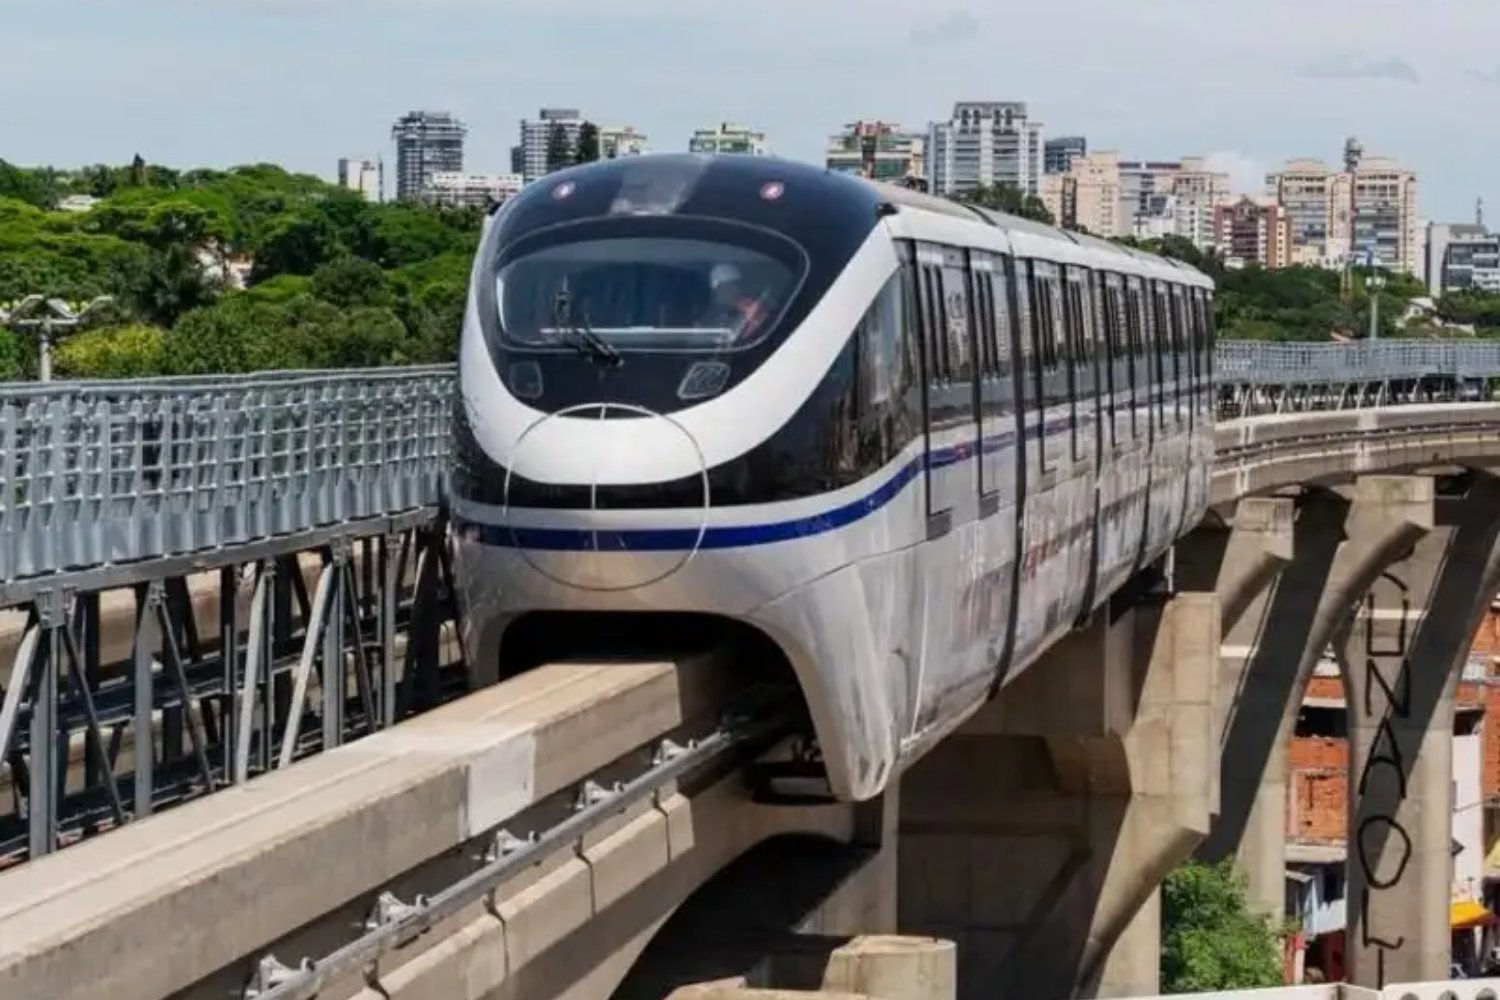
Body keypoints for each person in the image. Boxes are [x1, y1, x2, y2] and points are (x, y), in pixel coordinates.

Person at [699, 263, 766, 342]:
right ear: (716, 288)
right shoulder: (705, 310)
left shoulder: (751, 306)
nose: (735, 289)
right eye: (728, 286)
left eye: (736, 284)